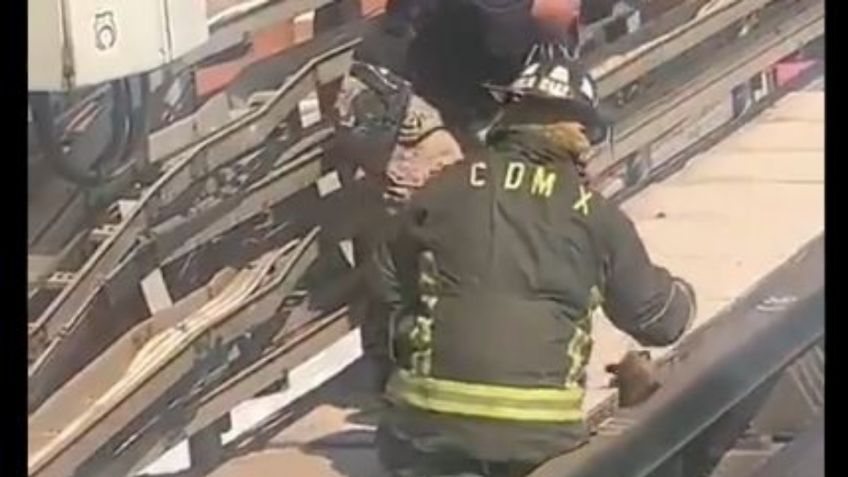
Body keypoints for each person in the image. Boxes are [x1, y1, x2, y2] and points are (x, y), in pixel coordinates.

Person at [365, 51, 696, 477]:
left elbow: (385, 281)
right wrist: (682, 293)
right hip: (540, 442)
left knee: (397, 437)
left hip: (428, 432)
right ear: (580, 132)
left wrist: (403, 352)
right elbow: (660, 321)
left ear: (510, 116)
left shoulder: (440, 191)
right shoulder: (594, 215)